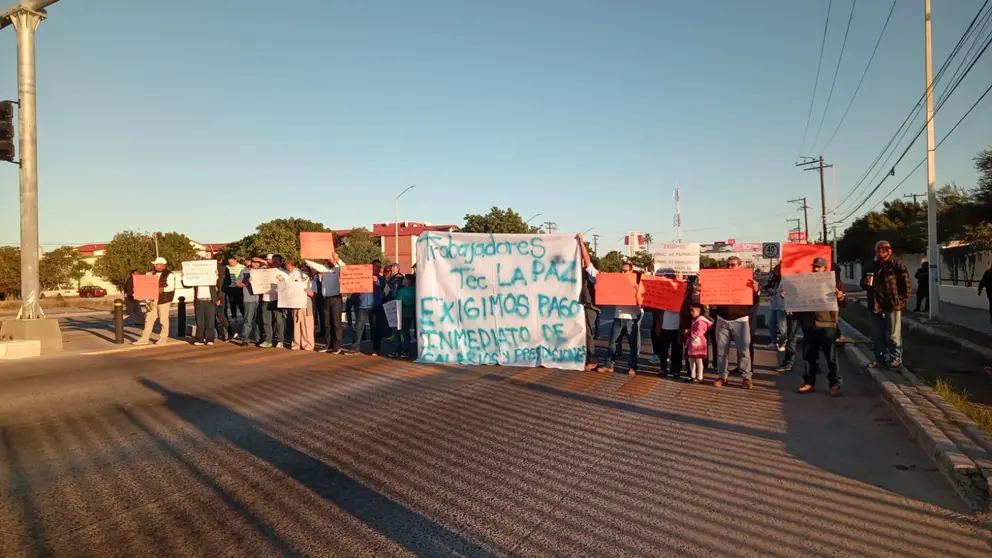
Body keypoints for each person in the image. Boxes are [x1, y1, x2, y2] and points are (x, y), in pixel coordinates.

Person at [797, 257, 846, 395]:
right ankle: (809, 383)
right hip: (809, 323)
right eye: (814, 266)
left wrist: (840, 296)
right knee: (808, 356)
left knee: (831, 356)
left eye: (818, 267)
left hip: (827, 323)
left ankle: (835, 384)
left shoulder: (835, 283)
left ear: (825, 268)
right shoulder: (806, 282)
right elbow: (799, 299)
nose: (815, 269)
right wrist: (789, 299)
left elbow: (845, 303)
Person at [710, 256, 760, 389]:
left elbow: (754, 301)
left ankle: (746, 377)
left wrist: (755, 290)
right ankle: (722, 376)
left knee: (744, 350)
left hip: (741, 320)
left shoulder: (747, 281)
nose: (730, 267)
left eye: (733, 265)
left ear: (739, 266)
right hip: (722, 319)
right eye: (728, 265)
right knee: (721, 351)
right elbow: (712, 296)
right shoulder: (720, 280)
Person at [861, 240, 910, 369]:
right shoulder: (871, 266)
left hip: (892, 305)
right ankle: (879, 359)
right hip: (875, 305)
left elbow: (906, 286)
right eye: (878, 250)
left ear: (889, 251)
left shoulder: (897, 265)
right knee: (877, 335)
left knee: (893, 335)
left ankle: (895, 360)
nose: (880, 253)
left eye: (883, 250)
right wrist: (867, 282)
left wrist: (900, 301)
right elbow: (863, 285)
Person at [598, 261, 644, 376]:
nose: (623, 273)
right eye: (621, 270)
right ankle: (609, 365)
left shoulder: (637, 284)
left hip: (631, 318)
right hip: (618, 317)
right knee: (612, 343)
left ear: (631, 271)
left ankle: (633, 367)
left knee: (633, 345)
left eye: (625, 271)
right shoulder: (616, 283)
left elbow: (642, 302)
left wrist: (637, 292)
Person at [134, 257, 175, 346]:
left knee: (163, 320)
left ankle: (163, 339)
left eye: (157, 264)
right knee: (148, 320)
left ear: (163, 265)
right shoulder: (151, 274)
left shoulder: (169, 274)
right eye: (155, 264)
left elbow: (171, 287)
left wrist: (163, 289)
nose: (155, 266)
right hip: (152, 300)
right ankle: (144, 338)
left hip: (163, 300)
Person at [350, 259, 387, 355]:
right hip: (363, 305)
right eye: (376, 266)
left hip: (375, 306)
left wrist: (376, 281)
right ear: (371, 266)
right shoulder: (362, 276)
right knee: (358, 327)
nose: (378, 268)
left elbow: (383, 286)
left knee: (375, 328)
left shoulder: (381, 278)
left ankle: (376, 349)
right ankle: (355, 348)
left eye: (379, 267)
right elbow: (354, 285)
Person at [578, 234, 601, 371]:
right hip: (584, 306)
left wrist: (581, 243)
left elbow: (587, 260)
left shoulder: (594, 274)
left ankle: (593, 359)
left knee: (587, 333)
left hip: (590, 307)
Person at [260, 255, 289, 349]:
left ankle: (280, 341)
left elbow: (287, 286)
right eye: (273, 260)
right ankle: (268, 340)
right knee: (266, 321)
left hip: (277, 299)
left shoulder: (283, 273)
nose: (275, 262)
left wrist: (282, 281)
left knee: (279, 321)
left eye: (277, 260)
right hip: (266, 298)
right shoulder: (265, 271)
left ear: (280, 262)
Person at [286, 259, 315, 351]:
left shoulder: (308, 279)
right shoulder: (291, 274)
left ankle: (308, 344)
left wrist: (308, 291)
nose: (303, 272)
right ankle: (296, 343)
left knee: (307, 324)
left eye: (305, 270)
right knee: (297, 323)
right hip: (296, 301)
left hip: (306, 302)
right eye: (302, 270)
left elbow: (313, 293)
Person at [235, 258, 262, 346]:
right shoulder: (245, 271)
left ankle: (259, 339)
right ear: (251, 262)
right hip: (249, 299)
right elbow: (237, 283)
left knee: (259, 320)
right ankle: (245, 339)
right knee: (248, 320)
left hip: (260, 299)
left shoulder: (263, 271)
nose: (256, 264)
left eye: (258, 262)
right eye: (254, 262)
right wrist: (247, 283)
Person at [685, 304, 712, 384]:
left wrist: (689, 332)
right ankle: (693, 376)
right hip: (693, 341)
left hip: (698, 342)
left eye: (692, 311)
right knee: (691, 360)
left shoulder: (701, 321)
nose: (691, 312)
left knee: (698, 360)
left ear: (699, 311)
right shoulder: (694, 320)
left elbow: (699, 332)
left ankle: (700, 377)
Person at [395, 274, 417, 358]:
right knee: (402, 332)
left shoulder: (412, 291)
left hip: (406, 313)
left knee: (405, 333)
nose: (403, 280)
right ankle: (401, 350)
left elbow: (411, 302)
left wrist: (402, 300)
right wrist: (394, 290)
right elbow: (396, 297)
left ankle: (406, 351)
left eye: (404, 279)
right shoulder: (402, 290)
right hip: (402, 313)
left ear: (408, 281)